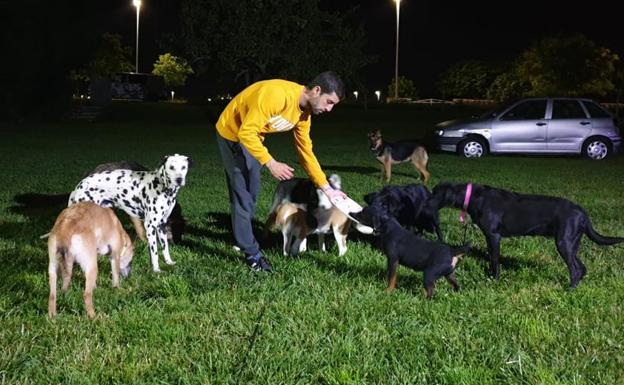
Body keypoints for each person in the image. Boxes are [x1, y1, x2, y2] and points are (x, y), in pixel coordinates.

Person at [215, 71, 348, 272]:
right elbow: (246, 132)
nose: (329, 109)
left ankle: (244, 236)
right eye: (329, 102)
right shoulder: (276, 95)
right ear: (317, 90)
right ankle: (252, 254)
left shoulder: (305, 115)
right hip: (233, 134)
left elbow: (306, 153)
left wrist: (327, 189)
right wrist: (271, 163)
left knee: (251, 190)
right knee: (242, 194)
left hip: (253, 139)